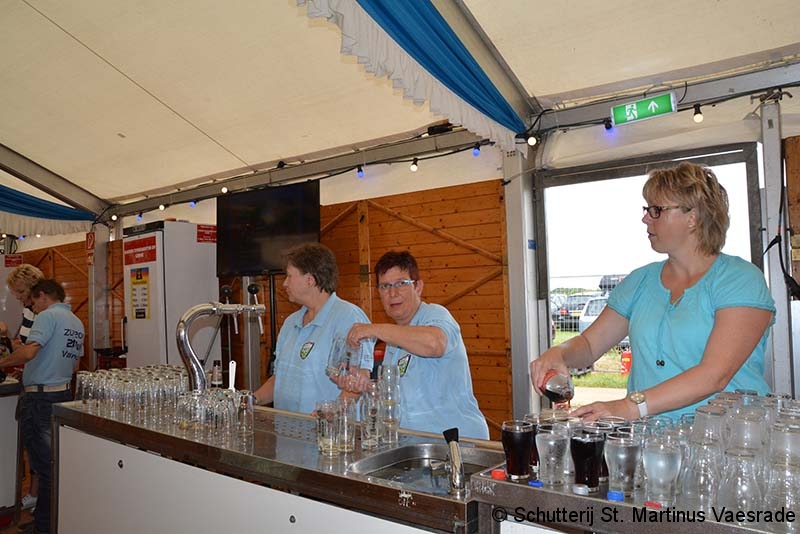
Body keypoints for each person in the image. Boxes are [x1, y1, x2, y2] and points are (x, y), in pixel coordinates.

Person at [530, 162, 775, 421]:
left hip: (729, 435)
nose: (645, 218)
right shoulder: (640, 281)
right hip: (653, 438)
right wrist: (559, 352)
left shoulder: (740, 279)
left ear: (692, 217)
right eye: (647, 209)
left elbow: (714, 375)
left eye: (656, 210)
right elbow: (590, 345)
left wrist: (629, 407)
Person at [346, 250, 489, 440]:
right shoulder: (393, 342)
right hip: (417, 446)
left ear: (418, 287)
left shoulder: (435, 315)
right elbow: (396, 401)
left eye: (401, 283)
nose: (392, 293)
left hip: (456, 444)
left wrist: (375, 329)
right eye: (385, 286)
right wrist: (361, 388)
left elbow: (434, 344)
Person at [0, 279, 84, 534]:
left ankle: (44, 527)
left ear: (43, 296)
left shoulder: (47, 316)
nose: (32, 308)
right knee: (53, 464)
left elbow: (28, 353)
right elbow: (75, 366)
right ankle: (52, 521)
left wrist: (2, 363)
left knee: (45, 468)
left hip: (40, 400)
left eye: (33, 302)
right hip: (61, 395)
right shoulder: (76, 322)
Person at [253, 242, 374, 413]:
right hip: (287, 428)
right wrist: (252, 399)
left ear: (310, 280)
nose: (284, 284)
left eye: (289, 276)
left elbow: (359, 380)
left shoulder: (349, 317)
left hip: (328, 428)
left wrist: (331, 412)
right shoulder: (290, 323)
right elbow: (279, 379)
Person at [5, 264, 44, 517]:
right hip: (29, 381)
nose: (18, 296)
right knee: (32, 445)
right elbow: (22, 344)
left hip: (41, 387)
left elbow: (31, 351)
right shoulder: (29, 311)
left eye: (20, 291)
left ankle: (40, 497)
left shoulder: (44, 314)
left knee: (38, 447)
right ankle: (34, 493)